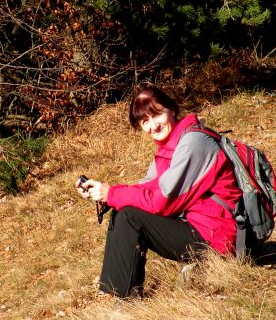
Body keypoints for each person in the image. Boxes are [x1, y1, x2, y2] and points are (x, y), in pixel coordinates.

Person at [76, 84, 243, 298]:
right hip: (202, 227)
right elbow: (147, 187)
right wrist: (105, 195)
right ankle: (119, 294)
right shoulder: (172, 145)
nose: (153, 126)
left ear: (171, 109)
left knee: (129, 217)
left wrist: (113, 194)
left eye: (156, 115)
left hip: (219, 236)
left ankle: (126, 300)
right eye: (144, 121)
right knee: (125, 209)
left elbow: (162, 201)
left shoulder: (194, 143)